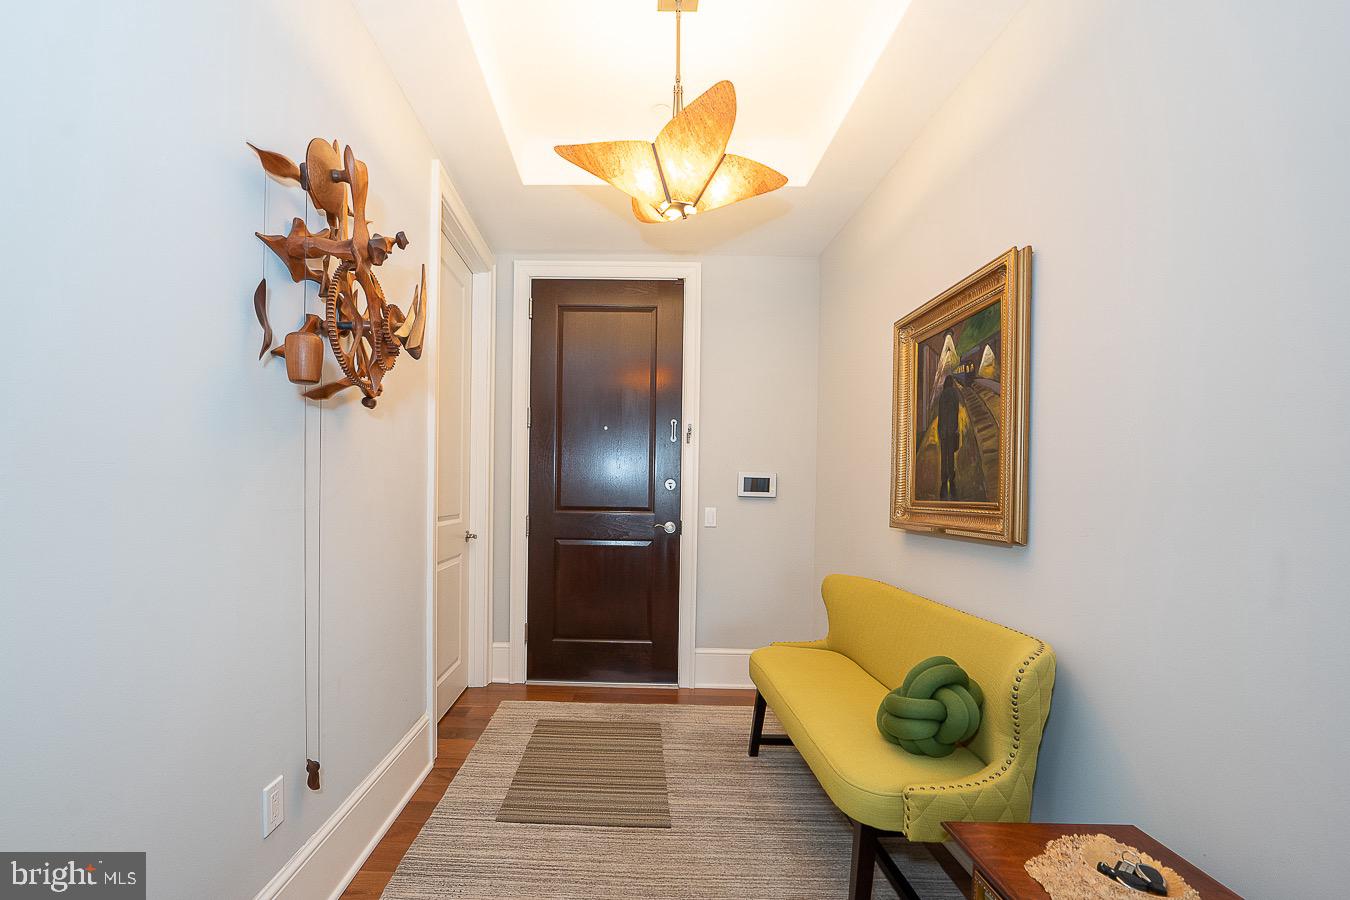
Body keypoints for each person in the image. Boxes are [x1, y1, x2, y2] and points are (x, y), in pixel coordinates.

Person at [937, 375, 962, 500]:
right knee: (951, 454)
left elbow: (940, 414)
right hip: (951, 430)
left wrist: (939, 429)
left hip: (943, 430)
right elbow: (956, 411)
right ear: (952, 383)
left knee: (943, 454)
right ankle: (951, 477)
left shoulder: (942, 396)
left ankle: (943, 477)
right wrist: (956, 427)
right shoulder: (954, 394)